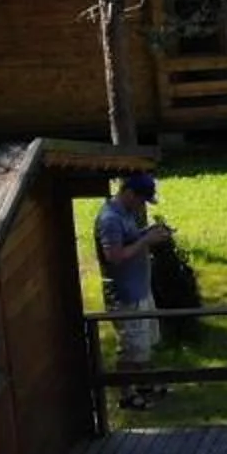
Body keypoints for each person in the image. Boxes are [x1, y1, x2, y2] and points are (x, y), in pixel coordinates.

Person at [94, 172, 174, 409]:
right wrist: (146, 241)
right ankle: (126, 394)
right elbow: (115, 256)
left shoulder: (126, 213)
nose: (142, 205)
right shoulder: (110, 219)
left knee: (144, 343)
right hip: (125, 294)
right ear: (129, 193)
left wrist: (149, 233)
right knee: (130, 348)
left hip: (140, 288)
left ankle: (143, 384)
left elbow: (129, 241)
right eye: (142, 199)